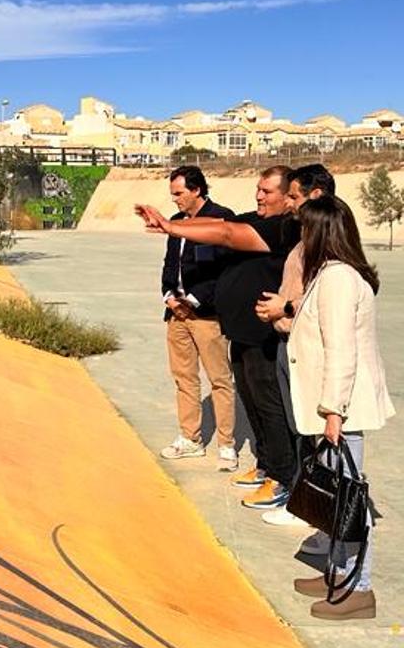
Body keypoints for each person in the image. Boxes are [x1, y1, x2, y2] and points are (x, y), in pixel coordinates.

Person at [136, 166, 298, 510]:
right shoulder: (255, 218)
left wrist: (170, 225)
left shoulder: (284, 227)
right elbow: (203, 231)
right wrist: (171, 225)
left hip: (262, 333)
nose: (259, 196)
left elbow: (224, 234)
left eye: (267, 191)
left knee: (269, 405)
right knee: (253, 403)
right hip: (241, 328)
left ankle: (283, 478)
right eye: (258, 189)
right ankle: (267, 465)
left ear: (289, 196)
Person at [286, 195, 393, 620]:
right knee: (334, 496)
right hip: (333, 407)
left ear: (320, 232)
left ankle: (359, 588)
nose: (300, 238)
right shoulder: (331, 274)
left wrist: (333, 410)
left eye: (304, 229)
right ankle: (337, 571)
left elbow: (342, 351)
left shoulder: (337, 279)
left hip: (340, 409)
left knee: (349, 498)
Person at [254, 164, 336, 527]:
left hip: (311, 350)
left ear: (315, 195)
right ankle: (306, 501)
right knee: (300, 427)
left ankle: (312, 508)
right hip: (291, 342)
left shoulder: (329, 240)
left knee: (316, 434)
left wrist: (283, 307)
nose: (288, 202)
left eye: (294, 196)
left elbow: (327, 293)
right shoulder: (305, 236)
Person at [156, 167, 237, 469]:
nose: (174, 199)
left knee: (219, 379)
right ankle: (190, 439)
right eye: (172, 194)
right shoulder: (175, 223)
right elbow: (170, 265)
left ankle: (227, 445)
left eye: (178, 193)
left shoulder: (221, 219)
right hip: (175, 314)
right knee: (184, 378)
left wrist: (192, 301)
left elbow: (223, 271)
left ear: (197, 190)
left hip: (206, 314)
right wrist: (169, 297)